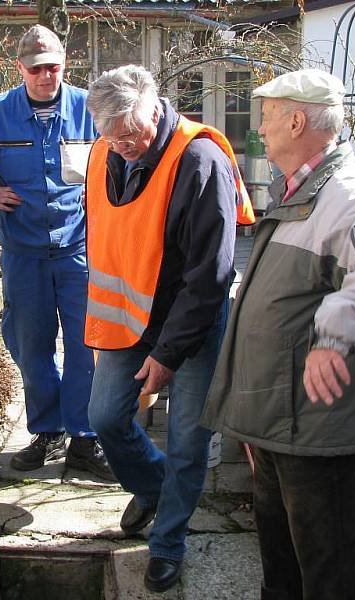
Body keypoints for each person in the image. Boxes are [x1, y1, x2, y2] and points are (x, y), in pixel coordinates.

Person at [201, 69, 355, 600]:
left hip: (316, 428)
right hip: (282, 421)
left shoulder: (349, 194)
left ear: (297, 120)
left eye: (269, 115)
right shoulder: (303, 190)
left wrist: (334, 336)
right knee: (284, 560)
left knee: (331, 567)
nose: (261, 128)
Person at [84, 64, 255, 593]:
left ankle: (169, 543)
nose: (122, 145)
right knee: (105, 418)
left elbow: (210, 277)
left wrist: (169, 354)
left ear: (155, 110)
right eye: (110, 135)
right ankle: (154, 486)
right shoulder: (105, 151)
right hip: (130, 320)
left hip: (194, 322)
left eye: (130, 132)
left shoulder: (200, 161)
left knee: (187, 440)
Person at [0, 24, 113, 480]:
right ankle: (45, 428)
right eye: (36, 69)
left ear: (65, 64)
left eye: (53, 67)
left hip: (78, 249)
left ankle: (83, 436)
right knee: (30, 343)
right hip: (24, 252)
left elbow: (116, 162)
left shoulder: (88, 109)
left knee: (85, 344)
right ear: (19, 68)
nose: (45, 76)